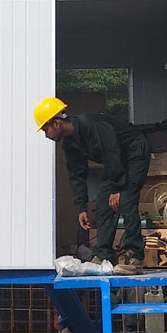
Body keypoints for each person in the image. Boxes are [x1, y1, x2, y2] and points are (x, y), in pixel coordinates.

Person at [34, 97, 149, 273]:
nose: (46, 135)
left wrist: (117, 188)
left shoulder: (91, 124)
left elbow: (112, 151)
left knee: (126, 199)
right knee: (103, 202)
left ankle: (133, 257)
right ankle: (103, 255)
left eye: (45, 129)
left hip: (134, 153)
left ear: (56, 123)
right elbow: (76, 175)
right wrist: (81, 207)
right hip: (116, 161)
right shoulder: (70, 144)